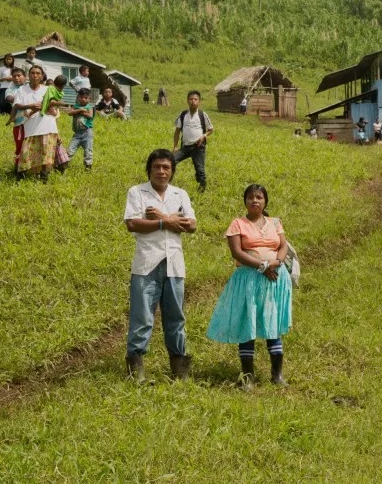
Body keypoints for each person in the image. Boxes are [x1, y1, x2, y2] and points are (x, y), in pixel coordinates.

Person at [207, 183, 293, 389]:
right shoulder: (238, 224)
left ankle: (277, 374)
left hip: (275, 280)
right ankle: (248, 377)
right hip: (249, 279)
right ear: (245, 201)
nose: (255, 200)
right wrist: (262, 266)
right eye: (251, 197)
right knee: (248, 323)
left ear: (265, 201)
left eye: (259, 197)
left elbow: (283, 246)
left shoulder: (275, 222)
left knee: (273, 322)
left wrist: (277, 262)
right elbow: (237, 252)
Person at [124, 148, 196, 382]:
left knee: (176, 316)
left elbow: (191, 224)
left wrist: (160, 217)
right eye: (157, 167)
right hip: (147, 263)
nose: (161, 171)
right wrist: (169, 222)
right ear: (149, 169)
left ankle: (179, 369)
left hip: (174, 263)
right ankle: (136, 371)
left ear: (172, 171)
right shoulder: (137, 192)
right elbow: (133, 224)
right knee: (142, 316)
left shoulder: (180, 194)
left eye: (166, 167)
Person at [13, 64, 61, 182]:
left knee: (46, 153)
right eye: (32, 73)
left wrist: (51, 108)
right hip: (31, 126)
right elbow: (16, 104)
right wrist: (30, 106)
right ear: (28, 75)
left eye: (38, 73)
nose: (35, 75)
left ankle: (44, 177)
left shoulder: (47, 89)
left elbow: (55, 105)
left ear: (42, 76)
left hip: (48, 125)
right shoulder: (22, 89)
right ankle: (21, 176)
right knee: (26, 153)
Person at [173, 91, 213, 192]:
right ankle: (166, 182)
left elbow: (211, 129)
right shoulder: (183, 114)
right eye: (191, 99)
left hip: (198, 147)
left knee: (200, 170)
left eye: (195, 99)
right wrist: (175, 146)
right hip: (185, 147)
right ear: (187, 101)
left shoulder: (202, 114)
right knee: (171, 160)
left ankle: (202, 188)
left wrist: (203, 136)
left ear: (199, 102)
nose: (193, 101)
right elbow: (177, 131)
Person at [65, 88, 95, 170]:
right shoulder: (75, 106)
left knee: (88, 151)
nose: (83, 99)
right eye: (81, 97)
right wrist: (79, 110)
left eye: (85, 98)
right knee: (70, 150)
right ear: (78, 97)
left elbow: (90, 116)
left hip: (87, 132)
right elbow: (70, 113)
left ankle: (88, 167)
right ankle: (64, 165)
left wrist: (83, 112)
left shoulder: (90, 107)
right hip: (77, 133)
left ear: (89, 99)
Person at [4, 67, 27, 169]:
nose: (17, 78)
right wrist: (24, 98)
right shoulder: (11, 89)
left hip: (33, 123)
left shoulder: (30, 87)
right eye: (14, 76)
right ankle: (19, 169)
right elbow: (9, 98)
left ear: (25, 77)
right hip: (19, 123)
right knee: (20, 147)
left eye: (19, 75)